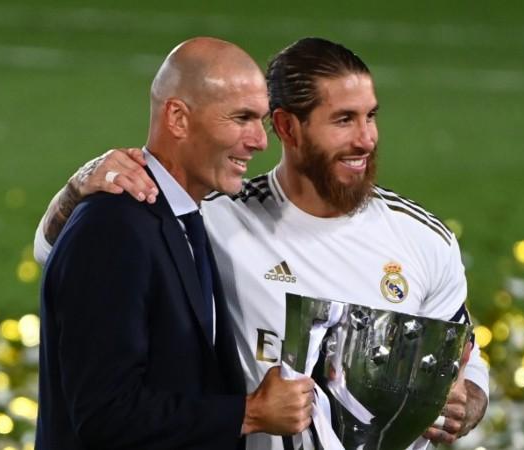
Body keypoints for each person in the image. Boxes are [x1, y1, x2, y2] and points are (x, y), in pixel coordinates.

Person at [35, 37, 489, 449]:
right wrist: (82, 184)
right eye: (344, 120)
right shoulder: (214, 216)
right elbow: (58, 251)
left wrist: (465, 403)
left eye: (371, 116)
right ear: (289, 129)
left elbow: (465, 360)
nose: (366, 139)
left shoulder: (423, 238)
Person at [35, 37, 315, 450]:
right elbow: (105, 414)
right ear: (178, 119)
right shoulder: (114, 229)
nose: (259, 141)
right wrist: (249, 412)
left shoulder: (184, 217)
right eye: (241, 118)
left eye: (261, 121)